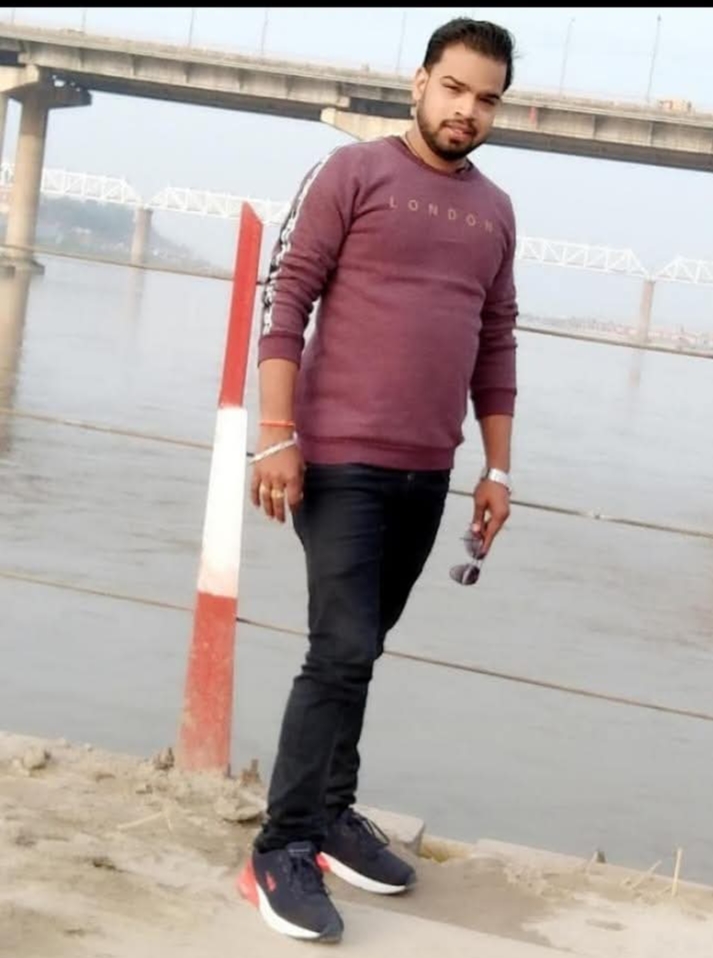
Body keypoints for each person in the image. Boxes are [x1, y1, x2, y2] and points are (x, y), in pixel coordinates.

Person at [238, 16, 519, 944]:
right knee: (341, 648)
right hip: (338, 459)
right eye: (454, 88)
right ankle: (280, 847)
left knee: (364, 648)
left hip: (427, 470)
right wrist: (274, 436)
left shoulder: (495, 210)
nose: (467, 110)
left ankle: (330, 813)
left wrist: (496, 468)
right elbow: (286, 299)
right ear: (419, 83)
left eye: (486, 99)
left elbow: (494, 341)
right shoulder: (351, 172)